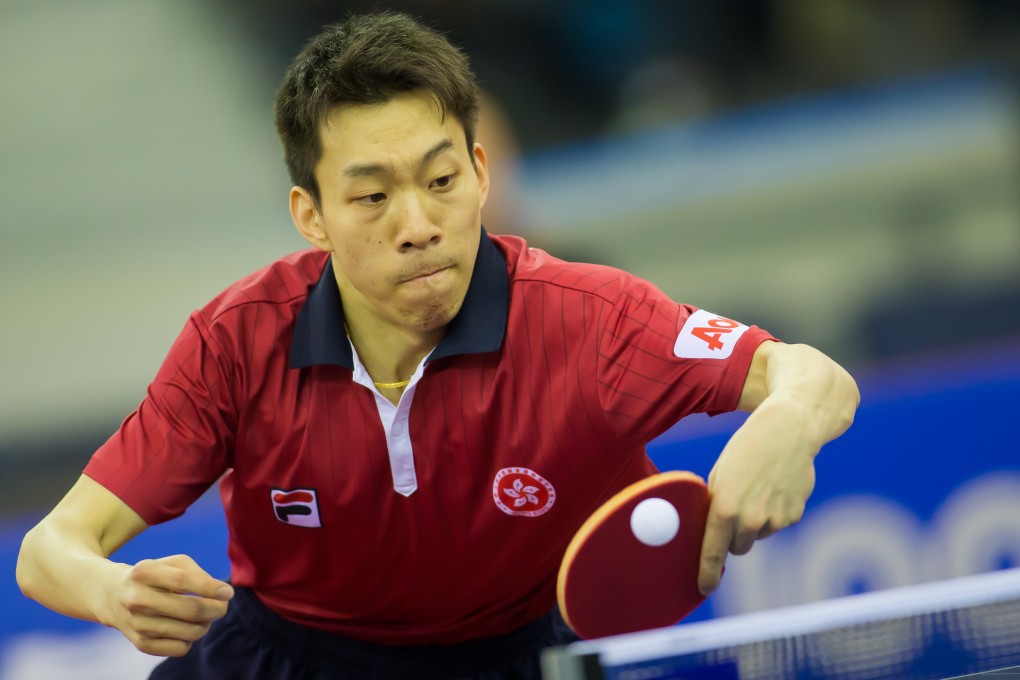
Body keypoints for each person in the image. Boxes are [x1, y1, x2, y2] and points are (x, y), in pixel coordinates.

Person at [16, 11, 859, 680]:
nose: (418, 226)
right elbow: (49, 549)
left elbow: (810, 374)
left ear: (483, 174)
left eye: (442, 181)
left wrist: (788, 420)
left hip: (520, 658)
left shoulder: (588, 319)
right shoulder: (235, 343)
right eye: (373, 195)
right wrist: (115, 592)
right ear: (312, 216)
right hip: (286, 660)